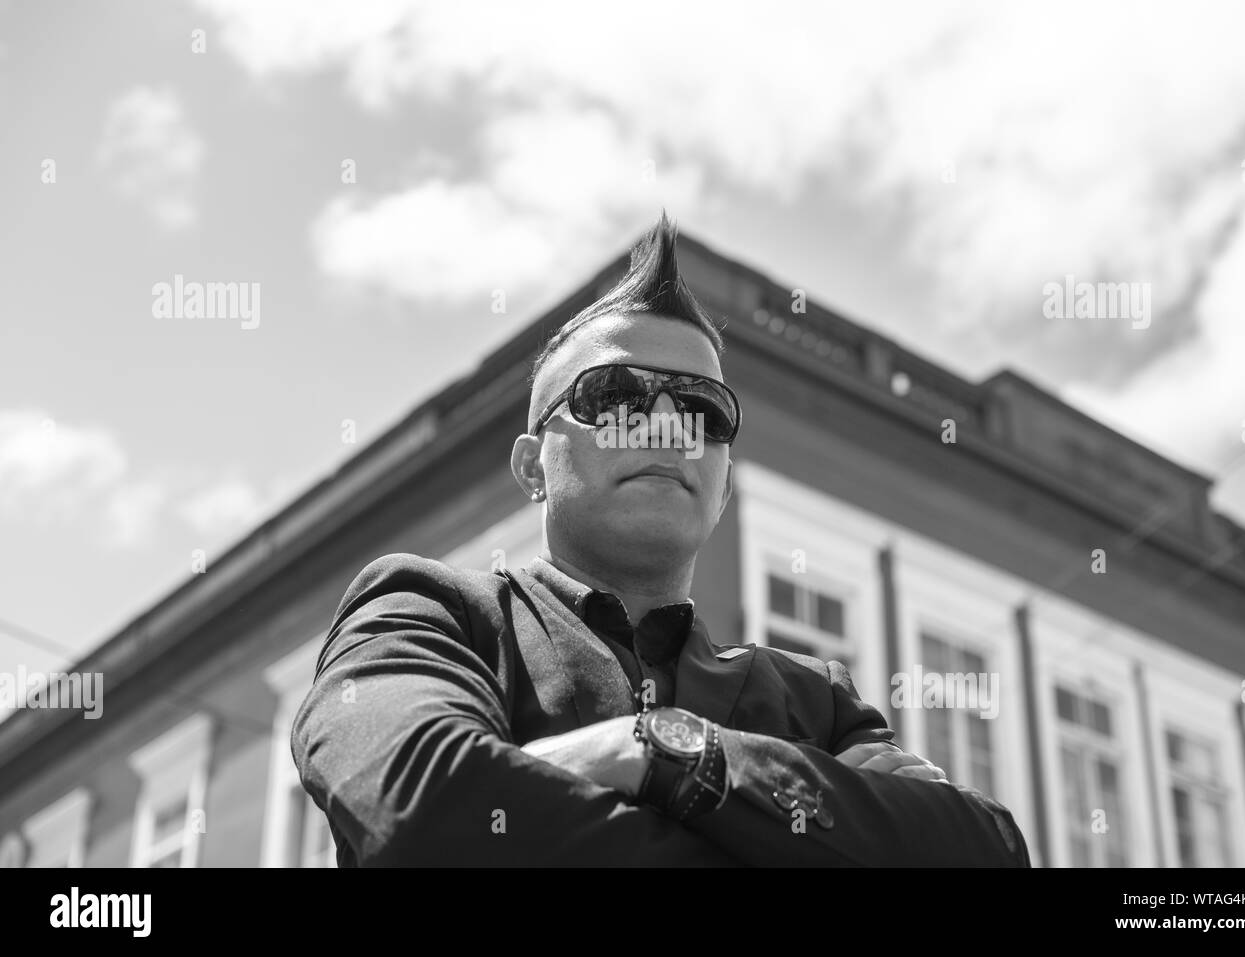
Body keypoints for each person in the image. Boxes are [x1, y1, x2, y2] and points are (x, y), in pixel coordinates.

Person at [291, 213, 1032, 867]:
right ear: (531, 467)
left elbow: (984, 850)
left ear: (725, 483)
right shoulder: (429, 612)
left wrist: (663, 750)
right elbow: (422, 812)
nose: (662, 424)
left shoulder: (814, 699)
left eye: (701, 409)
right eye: (613, 396)